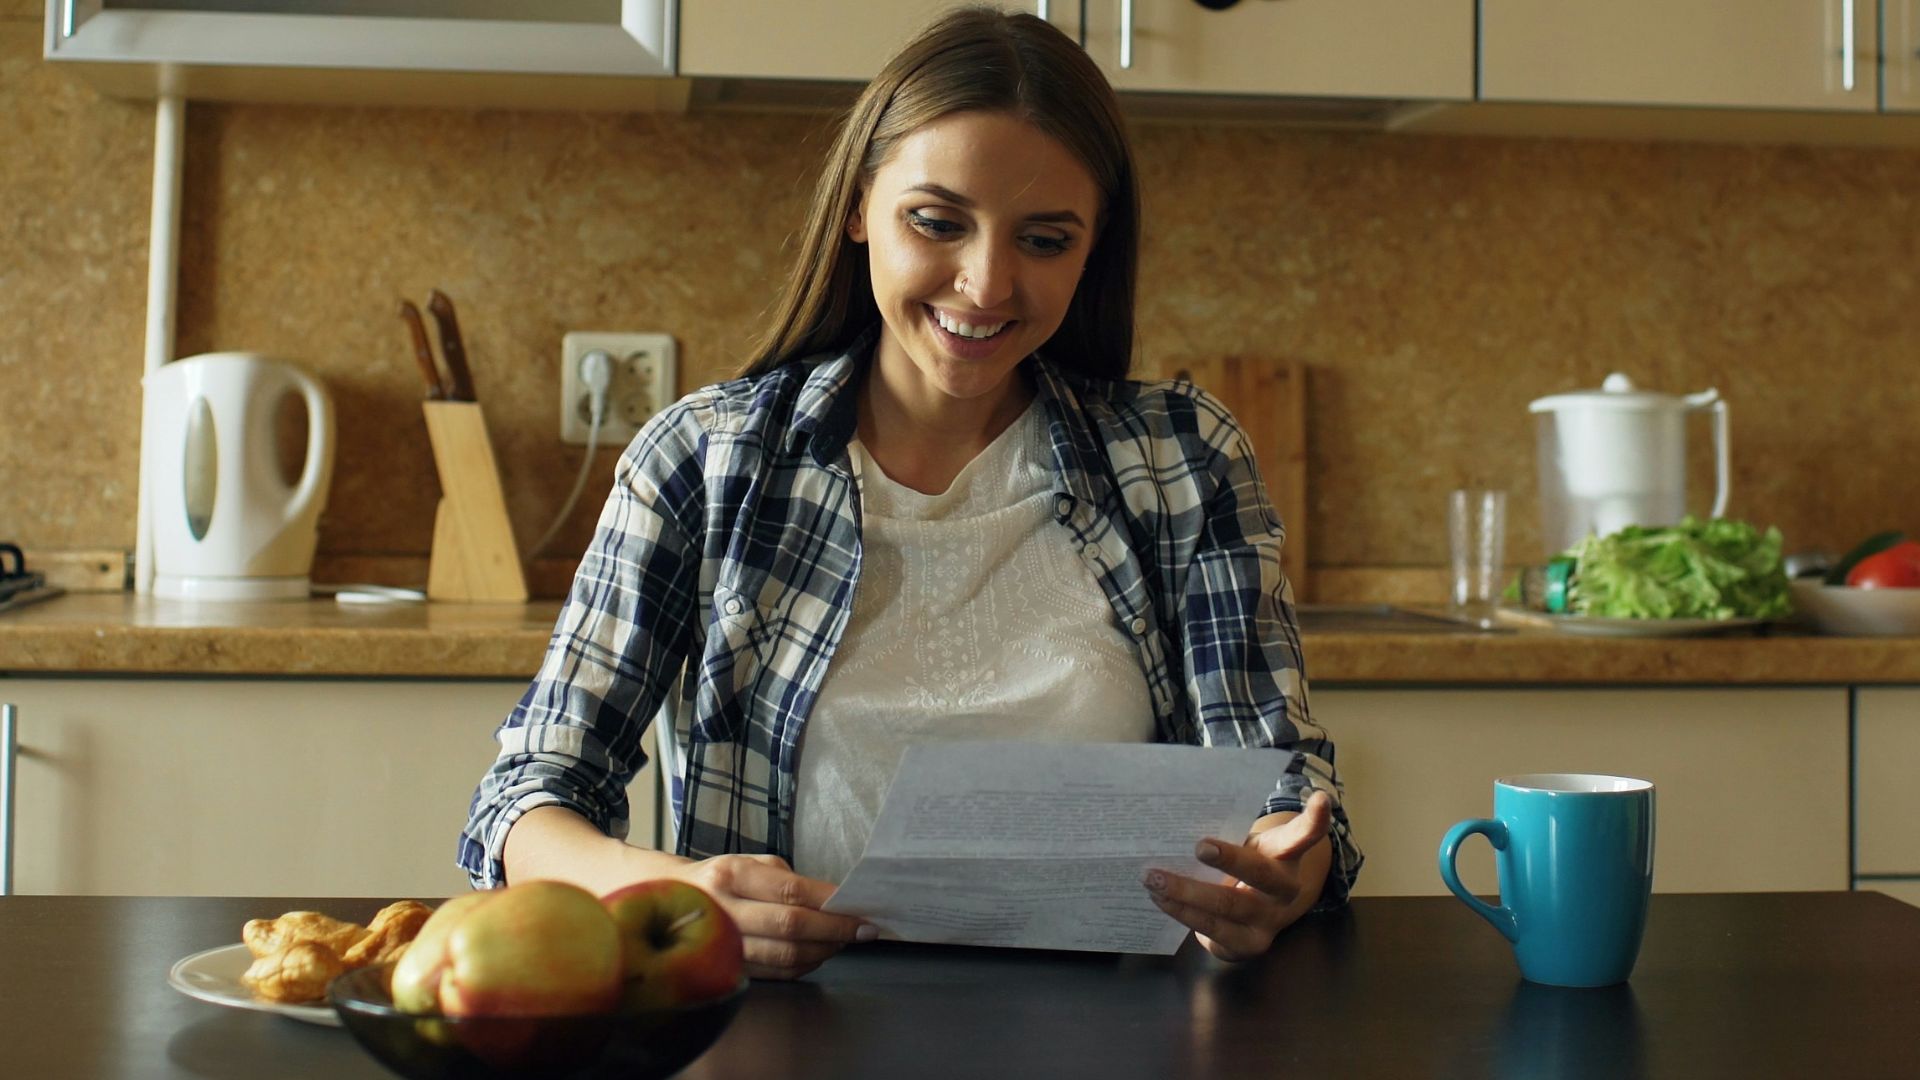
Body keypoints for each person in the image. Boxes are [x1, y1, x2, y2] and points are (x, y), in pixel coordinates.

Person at [459, 6, 1361, 980]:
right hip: (792, 1025)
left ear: (1094, 248)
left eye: (1046, 240)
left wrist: (1281, 874)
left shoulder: (1183, 459)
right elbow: (528, 794)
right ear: (858, 207)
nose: (985, 285)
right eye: (937, 222)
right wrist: (659, 889)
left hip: (1118, 1029)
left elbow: (1288, 791)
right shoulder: (705, 458)